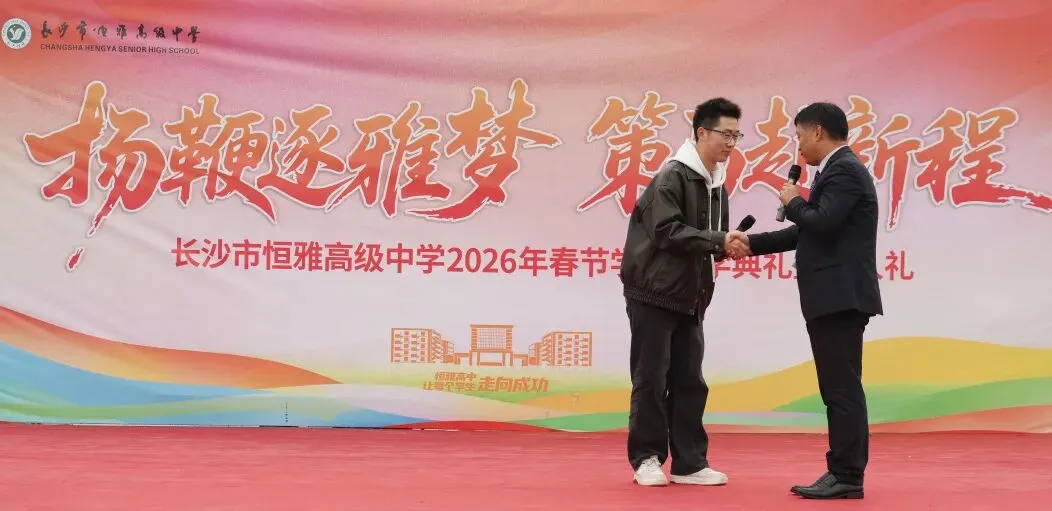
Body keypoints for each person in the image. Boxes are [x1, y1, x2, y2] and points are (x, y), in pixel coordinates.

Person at [735, 102, 882, 499]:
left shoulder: (844, 170)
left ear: (817, 131)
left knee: (841, 390)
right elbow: (807, 232)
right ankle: (842, 471)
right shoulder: (835, 171)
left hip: (840, 297)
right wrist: (749, 244)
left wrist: (794, 201)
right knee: (837, 388)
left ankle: (847, 474)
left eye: (799, 136)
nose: (798, 146)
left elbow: (822, 222)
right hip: (831, 297)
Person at [618, 97, 750, 487]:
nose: (731, 143)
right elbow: (666, 231)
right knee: (651, 378)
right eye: (725, 134)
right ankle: (646, 458)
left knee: (690, 380)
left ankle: (689, 463)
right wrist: (717, 240)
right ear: (701, 132)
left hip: (691, 296)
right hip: (654, 293)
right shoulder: (673, 176)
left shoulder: (715, 182)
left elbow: (705, 241)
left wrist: (724, 247)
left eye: (736, 135)